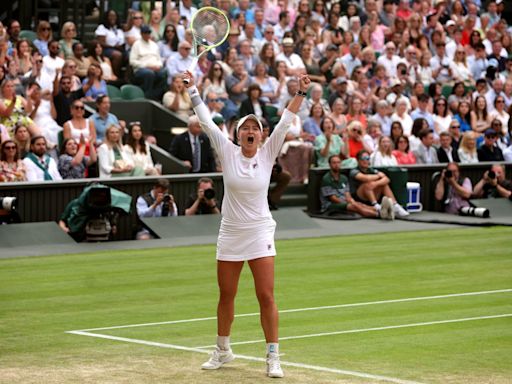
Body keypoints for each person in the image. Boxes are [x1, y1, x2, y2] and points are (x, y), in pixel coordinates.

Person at [183, 69, 311, 378]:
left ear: (261, 135)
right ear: (238, 134)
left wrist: (301, 93)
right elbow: (206, 123)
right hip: (230, 232)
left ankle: (273, 356)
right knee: (226, 295)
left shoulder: (268, 153)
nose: (250, 131)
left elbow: (285, 121)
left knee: (265, 295)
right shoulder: (227, 151)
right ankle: (223, 349)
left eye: (255, 127)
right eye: (245, 128)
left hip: (259, 232)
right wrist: (193, 91)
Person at [348, 149, 409, 219]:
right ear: (358, 160)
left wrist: (376, 184)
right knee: (368, 184)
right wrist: (378, 176)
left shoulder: (371, 170)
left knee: (383, 184)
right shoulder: (354, 171)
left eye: (367, 158)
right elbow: (365, 178)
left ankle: (395, 205)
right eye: (363, 158)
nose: (366, 161)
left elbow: (387, 179)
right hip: (359, 197)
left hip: (372, 193)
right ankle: (376, 206)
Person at [320, 154, 384, 219]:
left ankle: (380, 210)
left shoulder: (344, 178)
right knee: (354, 206)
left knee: (359, 204)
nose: (336, 165)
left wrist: (352, 201)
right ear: (330, 164)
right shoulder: (326, 179)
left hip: (344, 202)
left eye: (338, 162)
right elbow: (333, 198)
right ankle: (379, 214)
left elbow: (347, 194)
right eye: (334, 163)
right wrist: (349, 203)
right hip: (330, 205)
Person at [129, 25, 167, 100]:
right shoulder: (136, 44)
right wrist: (147, 66)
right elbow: (132, 61)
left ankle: (155, 96)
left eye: (148, 33)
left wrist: (158, 66)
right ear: (141, 34)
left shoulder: (154, 45)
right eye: (145, 33)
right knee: (149, 74)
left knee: (164, 73)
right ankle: (146, 97)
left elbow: (159, 59)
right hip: (141, 69)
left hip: (155, 67)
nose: (147, 35)